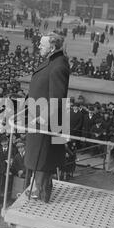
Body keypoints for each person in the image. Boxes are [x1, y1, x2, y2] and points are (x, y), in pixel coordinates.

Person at [24, 32, 70, 203]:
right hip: (40, 118)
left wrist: (43, 118)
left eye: (41, 45)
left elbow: (57, 97)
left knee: (43, 159)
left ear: (52, 47)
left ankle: (40, 194)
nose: (38, 47)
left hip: (46, 122)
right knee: (39, 158)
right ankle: (37, 190)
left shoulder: (58, 66)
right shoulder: (53, 62)